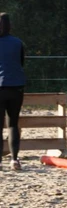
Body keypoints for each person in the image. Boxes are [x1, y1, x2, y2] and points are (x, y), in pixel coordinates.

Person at [0, 13, 26, 170]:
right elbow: (21, 62)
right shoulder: (18, 43)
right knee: (13, 124)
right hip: (16, 87)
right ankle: (14, 159)